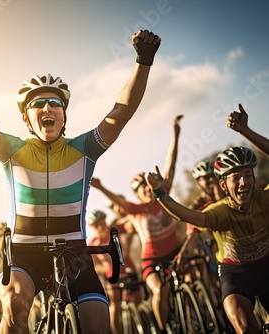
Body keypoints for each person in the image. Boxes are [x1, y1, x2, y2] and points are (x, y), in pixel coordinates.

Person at [0, 29, 161, 334]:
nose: (47, 108)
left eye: (54, 103)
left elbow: (122, 111)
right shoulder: (12, 151)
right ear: (26, 118)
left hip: (74, 254)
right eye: (38, 104)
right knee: (16, 307)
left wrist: (143, 61)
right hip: (24, 255)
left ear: (64, 115)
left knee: (98, 323)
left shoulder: (84, 149)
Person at [146, 145, 269, 334]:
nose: (243, 182)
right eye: (236, 178)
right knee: (245, 329)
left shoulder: (264, 198)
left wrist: (246, 131)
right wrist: (160, 193)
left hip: (265, 265)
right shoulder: (219, 211)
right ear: (223, 185)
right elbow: (187, 216)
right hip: (236, 274)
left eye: (248, 175)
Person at [90, 115, 182, 333]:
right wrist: (102, 188)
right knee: (159, 291)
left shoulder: (163, 193)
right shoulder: (137, 209)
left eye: (149, 185)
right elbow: (118, 201)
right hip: (150, 259)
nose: (148, 189)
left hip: (175, 252)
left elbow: (171, 164)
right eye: (142, 188)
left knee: (184, 283)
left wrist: (176, 134)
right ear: (137, 195)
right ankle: (162, 329)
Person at [86, 209, 139, 334]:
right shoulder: (93, 243)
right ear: (92, 228)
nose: (100, 227)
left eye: (102, 222)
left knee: (138, 300)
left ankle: (142, 322)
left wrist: (129, 225)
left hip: (130, 270)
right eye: (96, 225)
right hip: (112, 276)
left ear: (105, 220)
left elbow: (131, 219)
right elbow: (95, 265)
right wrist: (103, 267)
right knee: (115, 305)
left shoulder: (116, 229)